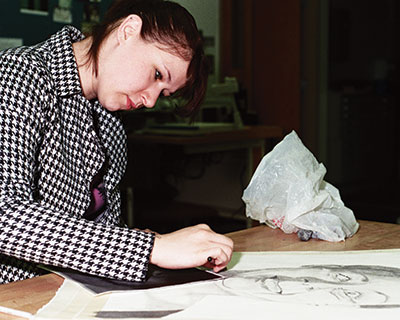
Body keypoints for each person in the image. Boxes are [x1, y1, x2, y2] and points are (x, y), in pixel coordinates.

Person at [0, 0, 233, 284]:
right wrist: (150, 248)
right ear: (128, 30)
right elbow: (4, 216)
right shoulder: (18, 75)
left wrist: (151, 241)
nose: (149, 100)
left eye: (163, 93)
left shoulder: (110, 121)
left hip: (66, 291)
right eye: (157, 74)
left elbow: (100, 230)